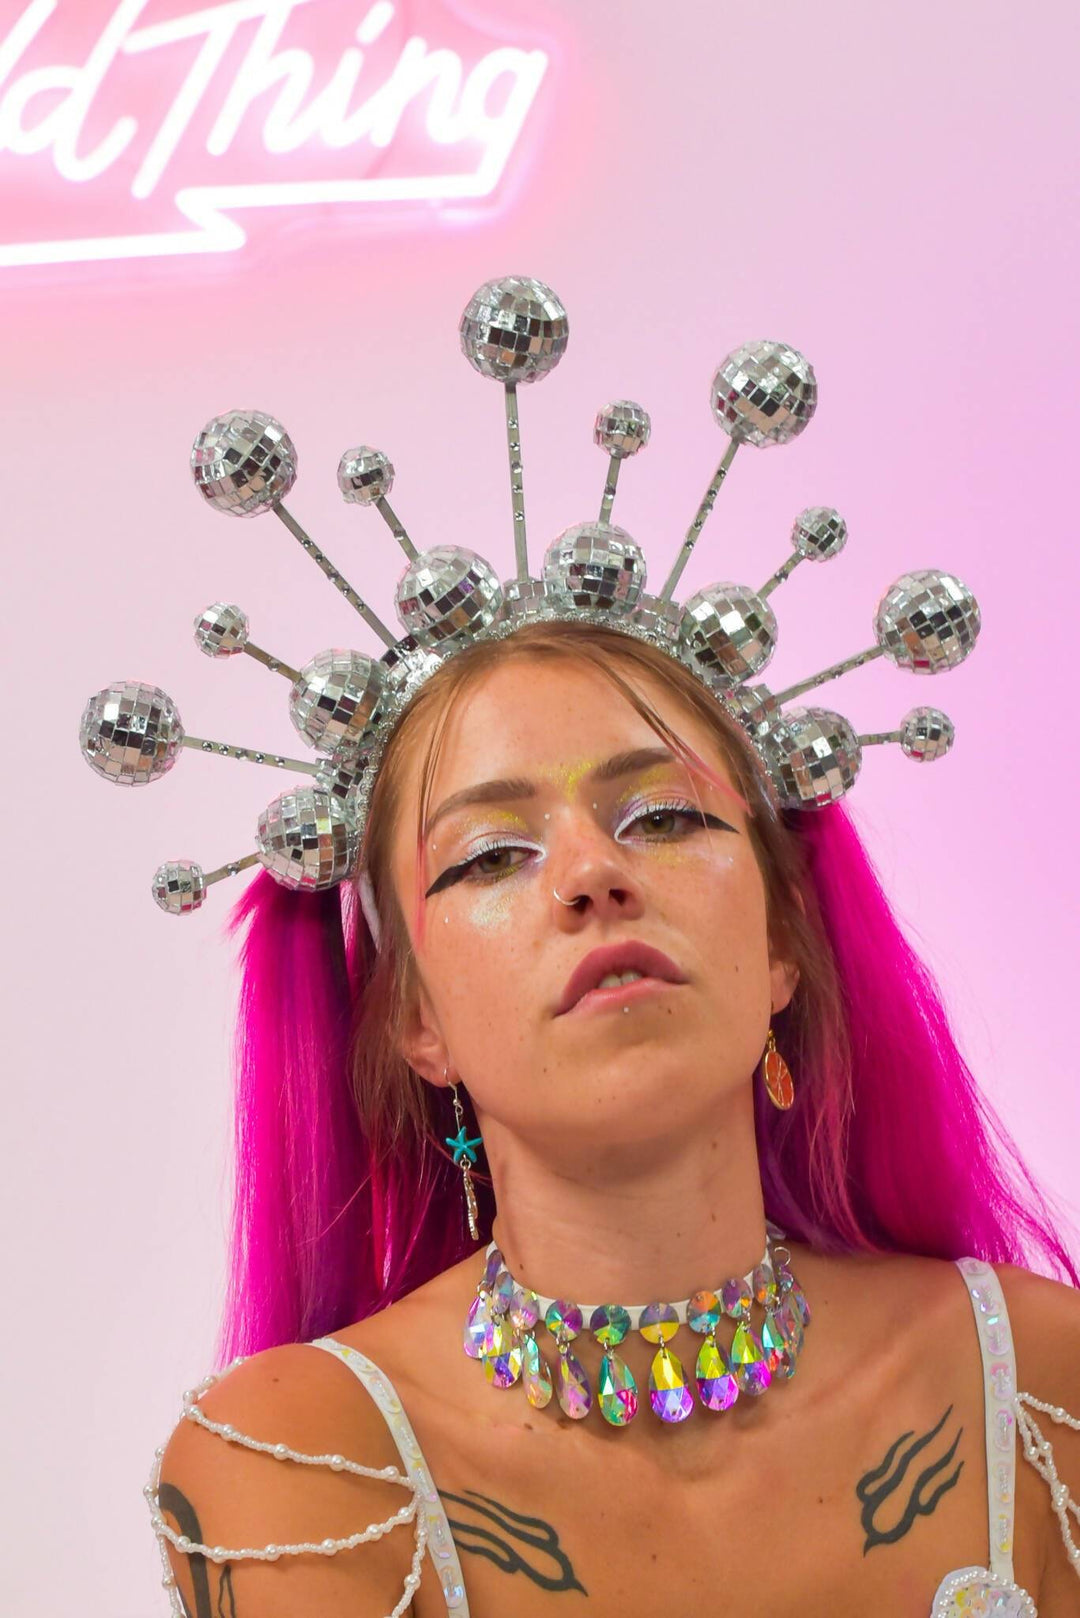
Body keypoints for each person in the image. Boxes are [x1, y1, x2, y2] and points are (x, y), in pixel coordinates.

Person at [149, 618, 1080, 1617]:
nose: (593, 874)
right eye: (492, 855)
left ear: (782, 942)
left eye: (667, 817)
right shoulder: (316, 1461)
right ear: (418, 1021)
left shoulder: (1028, 1379)